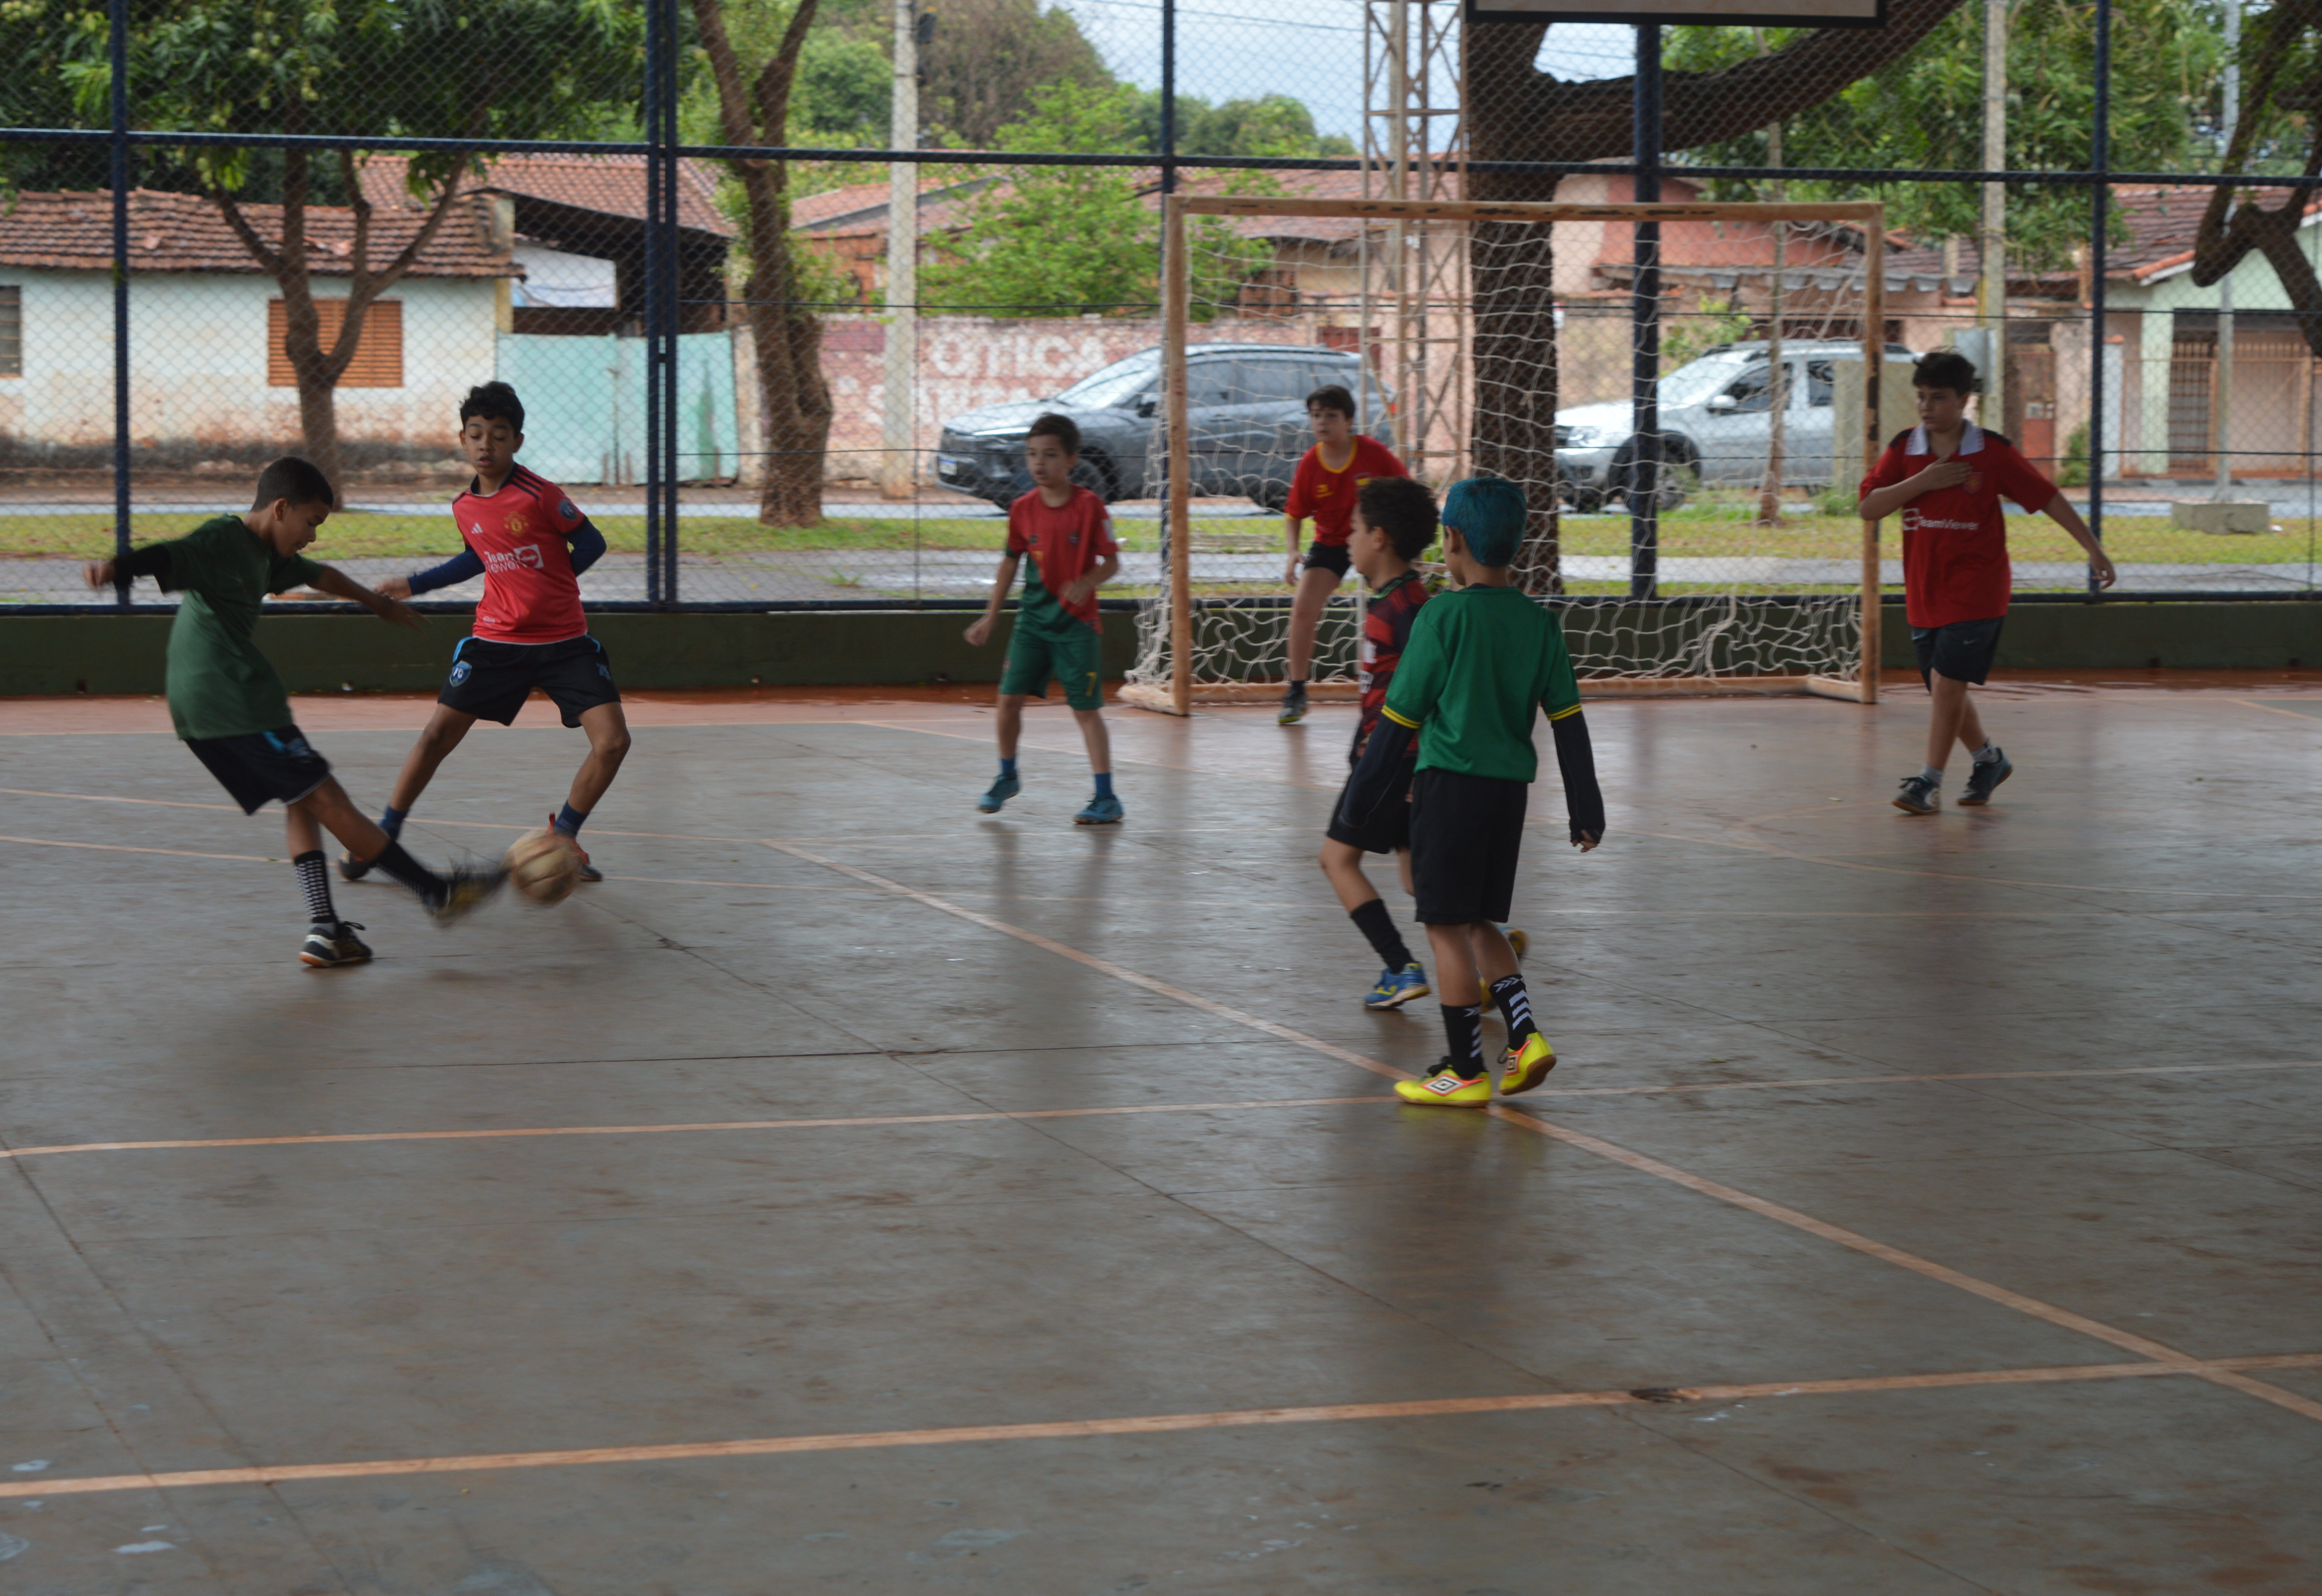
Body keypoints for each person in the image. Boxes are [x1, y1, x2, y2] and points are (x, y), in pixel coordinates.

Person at [83, 456, 503, 967]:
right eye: (311, 522)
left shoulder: (268, 555)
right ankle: (435, 892)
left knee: (301, 800)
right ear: (281, 508)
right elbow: (169, 554)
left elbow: (322, 574)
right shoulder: (223, 540)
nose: (313, 535)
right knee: (328, 798)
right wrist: (115, 568)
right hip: (229, 698)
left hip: (221, 702)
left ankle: (326, 929)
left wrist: (376, 603)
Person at [1338, 476, 1605, 1107]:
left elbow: (1396, 723)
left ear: (1452, 540)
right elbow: (1569, 725)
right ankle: (1525, 1039)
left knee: (1444, 929)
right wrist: (1586, 811)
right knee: (1480, 921)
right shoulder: (1539, 625)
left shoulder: (1442, 617)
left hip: (1448, 791)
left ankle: (1463, 1071)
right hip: (1506, 798)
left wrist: (1361, 803)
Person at [344, 381, 629, 882]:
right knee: (435, 737)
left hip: (564, 643)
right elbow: (476, 557)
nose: (486, 445)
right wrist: (413, 584)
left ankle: (564, 835)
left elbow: (592, 543)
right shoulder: (465, 506)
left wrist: (550, 584)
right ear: (463, 439)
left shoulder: (540, 495)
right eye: (476, 434)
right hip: (497, 641)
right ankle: (383, 835)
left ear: (517, 441)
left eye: (498, 436)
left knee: (613, 742)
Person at [1858, 350, 2117, 814]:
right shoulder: (1905, 449)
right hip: (1925, 591)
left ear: (1964, 400)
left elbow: (2047, 497)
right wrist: (1924, 481)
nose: (1926, 407)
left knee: (1948, 686)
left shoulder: (1991, 452)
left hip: (1978, 588)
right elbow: (1869, 507)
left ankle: (1927, 783)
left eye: (1938, 398)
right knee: (1943, 687)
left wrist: (2093, 548)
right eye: (1921, 397)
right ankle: (1989, 760)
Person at [963, 412, 1125, 825]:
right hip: (1033, 623)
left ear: (1071, 460)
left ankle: (1106, 797)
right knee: (1007, 702)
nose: (1039, 462)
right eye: (1032, 454)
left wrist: (1087, 582)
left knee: (1085, 710)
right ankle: (1007, 776)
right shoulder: (1022, 509)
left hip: (1077, 627)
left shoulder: (1089, 507)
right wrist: (990, 617)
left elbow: (1112, 563)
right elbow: (1009, 563)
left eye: (1050, 454)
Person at [1319, 476, 1438, 1011]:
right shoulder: (1397, 598)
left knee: (1336, 860)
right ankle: (1489, 950)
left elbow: (1424, 692)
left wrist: (1386, 760)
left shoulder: (1409, 610)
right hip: (1398, 761)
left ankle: (1399, 966)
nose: (1346, 540)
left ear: (1379, 538)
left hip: (1389, 763)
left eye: (1354, 529)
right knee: (1417, 879)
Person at [1277, 384, 1408, 726]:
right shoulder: (1311, 463)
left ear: (1349, 422)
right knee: (1303, 607)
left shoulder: (1372, 453)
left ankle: (1404, 684)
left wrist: (1399, 535)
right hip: (1332, 542)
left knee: (1396, 607)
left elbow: (1405, 487)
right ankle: (1296, 691)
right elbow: (1294, 513)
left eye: (1331, 416)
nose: (1322, 422)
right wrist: (1292, 550)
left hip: (1374, 539)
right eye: (1316, 415)